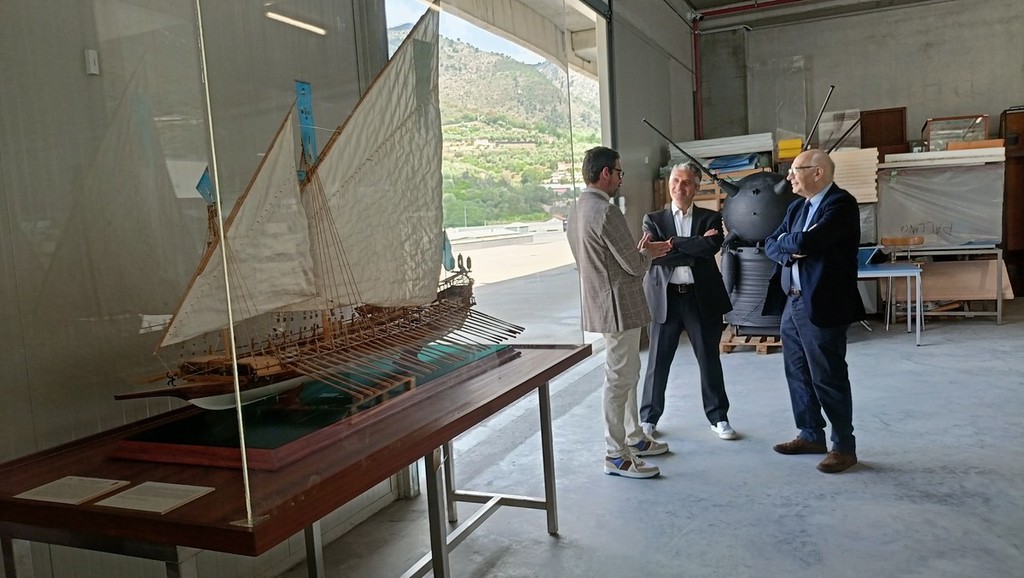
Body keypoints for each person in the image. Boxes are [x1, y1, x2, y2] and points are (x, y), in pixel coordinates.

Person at [567, 146, 672, 479]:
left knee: (627, 372)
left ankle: (633, 437)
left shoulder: (576, 210)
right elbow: (633, 265)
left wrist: (639, 254)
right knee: (618, 378)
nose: (620, 179)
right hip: (618, 306)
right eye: (619, 172)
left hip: (602, 303)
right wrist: (649, 253)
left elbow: (595, 261)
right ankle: (616, 455)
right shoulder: (606, 211)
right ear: (605, 174)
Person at [763, 149, 866, 474]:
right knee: (797, 372)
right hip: (792, 302)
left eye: (795, 170)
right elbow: (770, 243)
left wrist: (793, 243)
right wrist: (791, 246)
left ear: (818, 172)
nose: (789, 176)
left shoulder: (841, 204)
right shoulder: (797, 208)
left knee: (827, 376)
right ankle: (810, 434)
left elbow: (809, 242)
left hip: (823, 303)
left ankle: (843, 447)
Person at [639, 162, 737, 441]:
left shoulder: (710, 217)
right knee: (658, 362)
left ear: (696, 187)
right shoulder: (653, 220)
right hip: (665, 299)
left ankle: (719, 418)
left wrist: (672, 244)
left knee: (709, 360)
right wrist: (693, 245)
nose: (679, 187)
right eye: (675, 180)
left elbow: (710, 247)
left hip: (700, 298)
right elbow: (655, 256)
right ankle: (648, 419)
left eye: (686, 182)